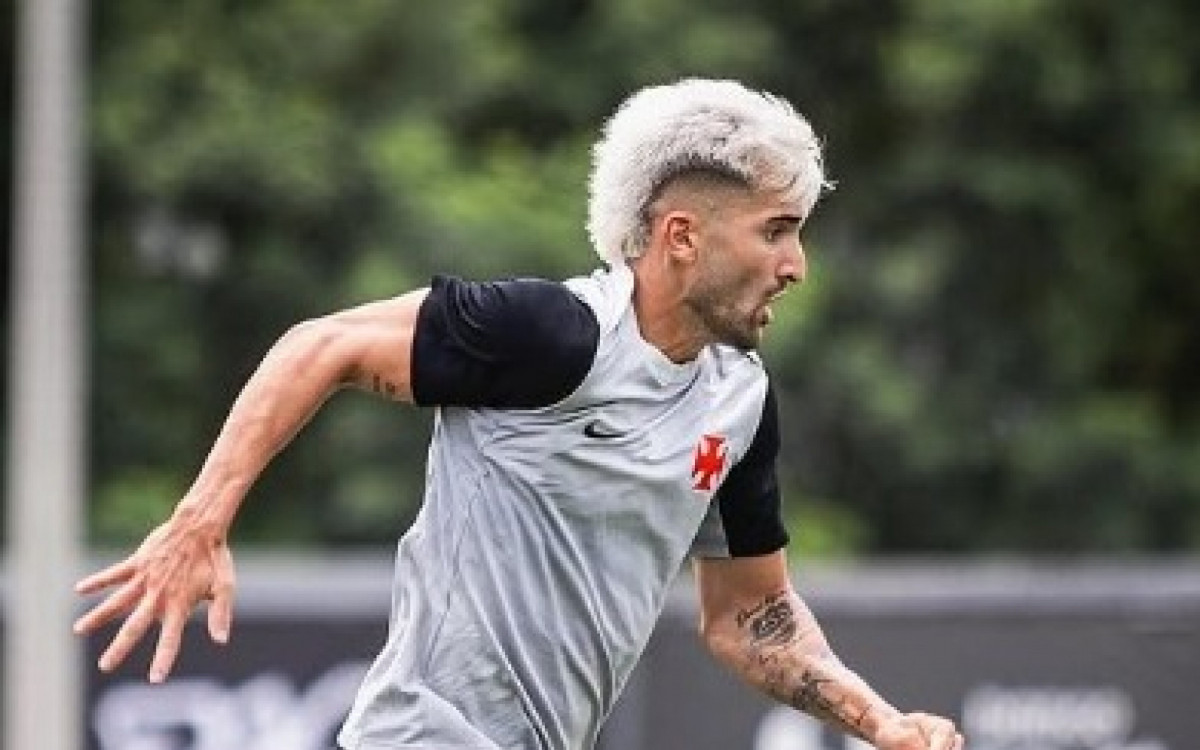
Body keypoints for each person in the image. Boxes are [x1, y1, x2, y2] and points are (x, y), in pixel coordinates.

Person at [74, 78, 965, 750]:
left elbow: (747, 615)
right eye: (776, 230)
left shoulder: (740, 400)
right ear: (682, 236)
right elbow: (323, 345)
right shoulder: (554, 334)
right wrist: (200, 520)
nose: (796, 264)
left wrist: (879, 723)